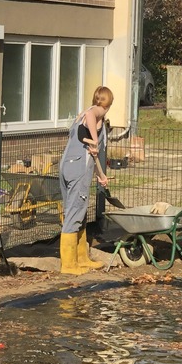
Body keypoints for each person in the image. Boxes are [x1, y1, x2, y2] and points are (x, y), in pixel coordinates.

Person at [59, 86, 113, 275]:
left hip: (67, 166)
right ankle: (68, 264)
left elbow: (92, 155)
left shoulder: (81, 116)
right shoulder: (94, 113)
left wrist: (101, 175)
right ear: (108, 103)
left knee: (77, 212)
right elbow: (91, 116)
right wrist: (95, 139)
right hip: (78, 169)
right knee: (75, 212)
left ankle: (81, 258)